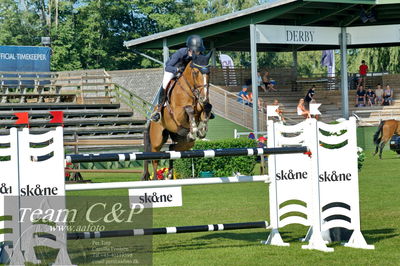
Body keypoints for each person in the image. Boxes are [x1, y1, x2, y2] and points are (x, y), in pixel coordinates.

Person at [151, 35, 205, 122]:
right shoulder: (181, 53)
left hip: (186, 74)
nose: (198, 53)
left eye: (199, 51)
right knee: (165, 84)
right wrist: (176, 70)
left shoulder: (198, 55)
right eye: (196, 51)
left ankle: (204, 107)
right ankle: (158, 110)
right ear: (190, 49)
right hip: (173, 70)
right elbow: (167, 67)